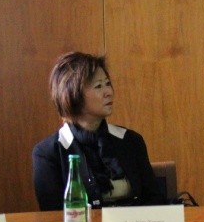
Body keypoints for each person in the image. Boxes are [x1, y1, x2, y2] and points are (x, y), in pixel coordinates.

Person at [32, 52, 165, 210]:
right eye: (98, 86)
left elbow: (154, 200)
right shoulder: (48, 153)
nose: (108, 92)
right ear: (73, 94)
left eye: (107, 83)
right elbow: (53, 215)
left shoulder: (131, 141)